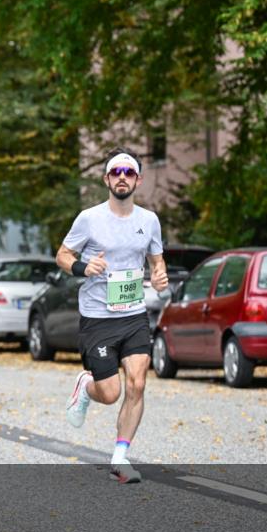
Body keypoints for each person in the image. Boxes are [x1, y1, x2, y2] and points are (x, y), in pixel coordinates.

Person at [55, 147, 169, 484]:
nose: (122, 177)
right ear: (106, 179)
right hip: (97, 317)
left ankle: (120, 458)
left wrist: (160, 277)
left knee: (138, 383)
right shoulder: (89, 218)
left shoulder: (149, 221)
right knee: (111, 393)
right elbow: (62, 255)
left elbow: (156, 261)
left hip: (133, 315)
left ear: (138, 180)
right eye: (116, 172)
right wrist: (83, 266)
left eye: (128, 172)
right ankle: (86, 385)